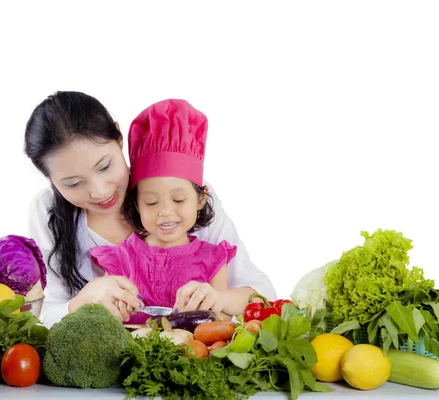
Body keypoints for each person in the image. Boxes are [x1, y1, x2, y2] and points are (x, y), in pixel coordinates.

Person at [24, 91, 276, 328]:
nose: (100, 191)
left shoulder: (185, 195)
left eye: (104, 166)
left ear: (119, 139)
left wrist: (218, 299)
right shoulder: (47, 211)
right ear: (50, 179)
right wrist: (81, 302)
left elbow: (263, 295)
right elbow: (40, 313)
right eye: (74, 183)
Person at [89, 99, 241, 324]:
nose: (165, 212)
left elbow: (222, 323)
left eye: (178, 199)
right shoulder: (120, 260)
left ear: (200, 198)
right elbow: (103, 317)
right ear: (137, 204)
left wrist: (215, 301)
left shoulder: (213, 260)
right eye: (151, 202)